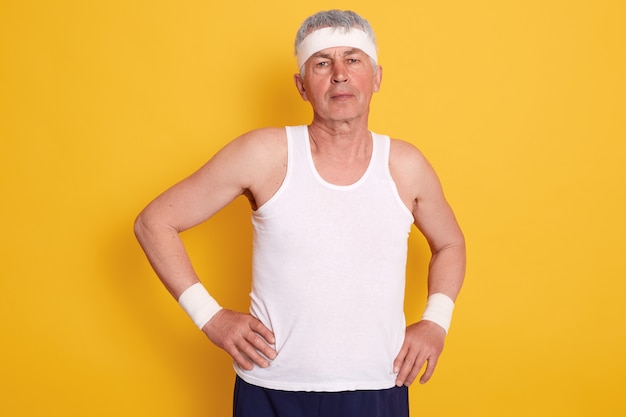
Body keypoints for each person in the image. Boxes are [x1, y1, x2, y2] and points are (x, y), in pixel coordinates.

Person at [135, 9, 465, 417]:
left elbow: (450, 243)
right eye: (322, 63)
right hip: (271, 387)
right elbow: (154, 222)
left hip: (378, 385)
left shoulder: (406, 165)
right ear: (302, 85)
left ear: (376, 77)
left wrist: (436, 321)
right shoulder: (263, 154)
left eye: (353, 59)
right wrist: (211, 318)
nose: (339, 74)